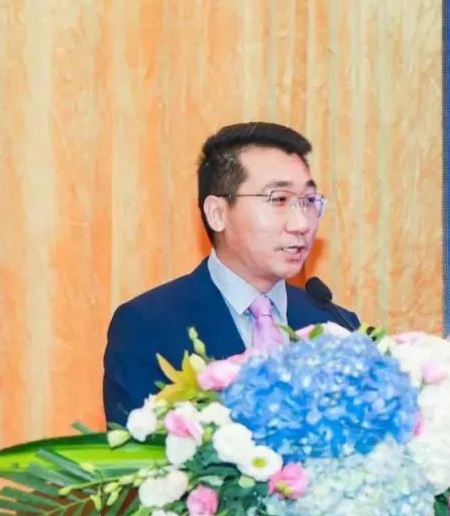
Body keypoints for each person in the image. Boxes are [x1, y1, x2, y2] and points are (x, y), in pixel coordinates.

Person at [102, 122, 359, 424]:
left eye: (310, 201)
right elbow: (140, 447)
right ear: (218, 213)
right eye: (279, 199)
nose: (302, 224)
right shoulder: (148, 327)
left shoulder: (336, 326)